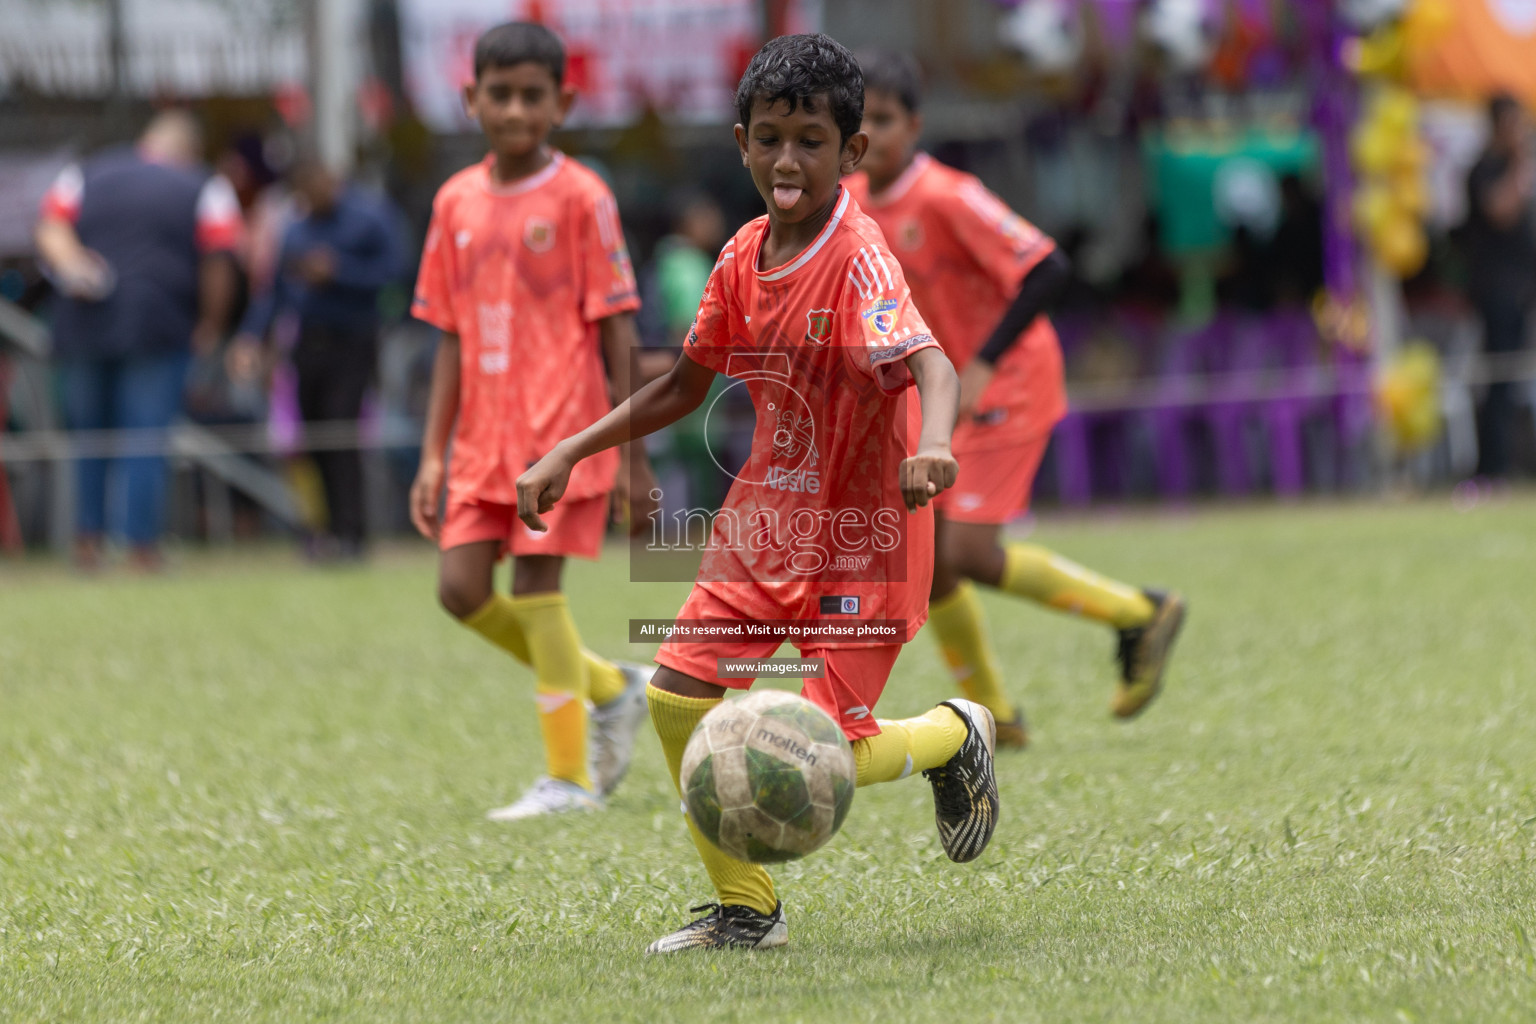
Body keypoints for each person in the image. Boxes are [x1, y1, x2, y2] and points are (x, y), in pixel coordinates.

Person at [516, 32, 997, 954]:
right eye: (770, 137)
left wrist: (934, 442)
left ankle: (950, 734)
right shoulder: (740, 255)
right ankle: (748, 911)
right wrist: (572, 450)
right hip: (765, 523)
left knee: (820, 746)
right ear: (742, 141)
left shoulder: (859, 258)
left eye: (812, 141)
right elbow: (682, 387)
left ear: (851, 154)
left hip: (868, 535)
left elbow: (931, 363)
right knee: (677, 698)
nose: (788, 160)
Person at [845, 52, 1186, 745]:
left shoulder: (947, 195)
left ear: (913, 126)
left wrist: (983, 362)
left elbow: (1047, 267)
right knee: (928, 560)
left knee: (963, 554)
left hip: (1006, 380)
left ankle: (1137, 612)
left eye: (884, 120)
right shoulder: (850, 204)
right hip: (941, 393)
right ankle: (996, 717)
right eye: (859, 123)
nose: (871, 136)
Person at [409, 22, 659, 821]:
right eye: (500, 93)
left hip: (562, 432)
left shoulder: (584, 197)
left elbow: (618, 329)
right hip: (481, 440)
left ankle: (568, 780)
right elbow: (448, 334)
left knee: (537, 585)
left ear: (563, 103)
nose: (515, 109)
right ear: (470, 98)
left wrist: (634, 460)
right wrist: (432, 454)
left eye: (532, 95)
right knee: (458, 589)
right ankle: (613, 687)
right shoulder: (454, 202)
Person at [34, 110, 242, 571]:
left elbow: (49, 227)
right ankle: (139, 547)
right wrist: (211, 324)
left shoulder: (85, 172)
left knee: (89, 437)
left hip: (83, 323)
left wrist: (74, 265)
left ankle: (87, 542)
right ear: (188, 151)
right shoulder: (204, 186)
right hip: (158, 324)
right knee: (145, 437)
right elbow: (219, 260)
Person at [233, 161, 406, 560]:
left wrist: (338, 272)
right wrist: (249, 337)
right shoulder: (294, 228)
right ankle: (319, 531)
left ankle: (351, 533)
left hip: (353, 341)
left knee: (341, 432)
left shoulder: (370, 218)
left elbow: (396, 273)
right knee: (309, 439)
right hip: (306, 343)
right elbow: (273, 292)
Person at [1464, 93, 1536, 481]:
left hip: (1522, 291)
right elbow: (1501, 210)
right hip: (1497, 292)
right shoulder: (1485, 169)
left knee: (1514, 382)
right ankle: (1493, 469)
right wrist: (1521, 160)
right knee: (1499, 381)